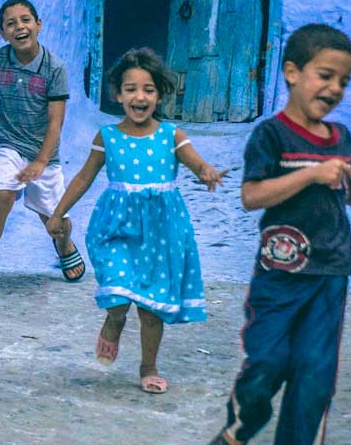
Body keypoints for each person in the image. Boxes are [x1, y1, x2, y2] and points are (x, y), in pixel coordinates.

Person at [195, 24, 351, 445]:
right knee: (266, 364)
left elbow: (345, 187)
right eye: (325, 75)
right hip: (279, 277)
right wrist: (311, 172)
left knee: (314, 379)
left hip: (330, 274)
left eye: (344, 82)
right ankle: (243, 426)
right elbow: (252, 196)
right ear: (292, 73)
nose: (334, 89)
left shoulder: (342, 138)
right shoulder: (271, 135)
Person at [46, 48, 225, 393]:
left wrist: (206, 172)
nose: (139, 96)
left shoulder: (171, 135)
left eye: (147, 89)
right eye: (130, 89)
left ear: (158, 95)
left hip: (161, 231)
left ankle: (148, 365)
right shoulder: (107, 137)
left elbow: (196, 163)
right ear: (118, 95)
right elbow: (83, 178)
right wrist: (58, 213)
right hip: (117, 227)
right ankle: (114, 321)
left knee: (150, 308)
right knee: (117, 292)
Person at [0, 0, 82, 298]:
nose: (19, 27)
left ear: (38, 25)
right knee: (2, 196)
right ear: (3, 33)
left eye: (25, 20)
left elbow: (55, 124)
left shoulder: (54, 68)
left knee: (55, 221)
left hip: (43, 150)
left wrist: (40, 161)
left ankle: (65, 245)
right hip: (7, 144)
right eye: (11, 23)